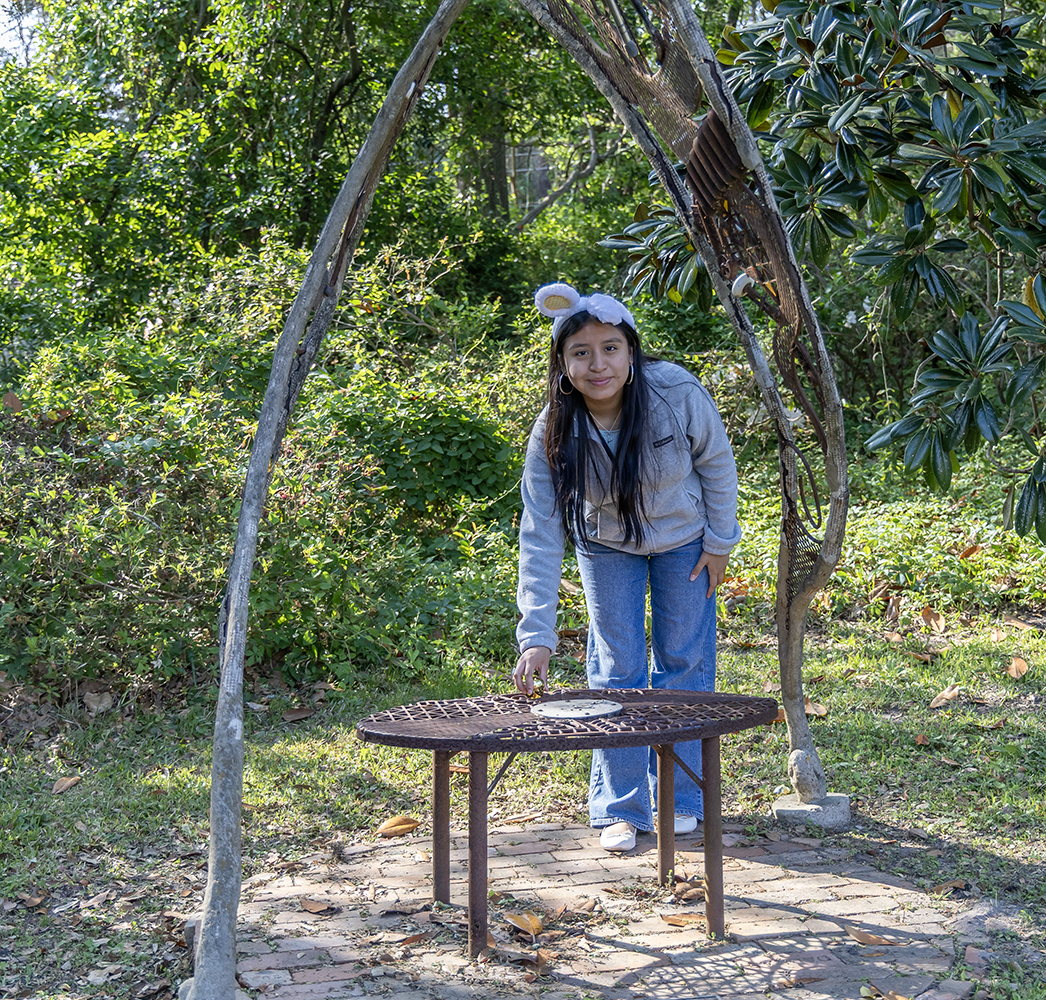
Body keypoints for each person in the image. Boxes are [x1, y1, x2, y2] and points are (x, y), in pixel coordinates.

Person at [512, 282, 741, 853]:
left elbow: (717, 463)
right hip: (606, 543)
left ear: (631, 351)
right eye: (581, 353)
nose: (598, 365)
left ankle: (682, 798)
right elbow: (540, 531)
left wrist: (720, 542)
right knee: (617, 669)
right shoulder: (554, 429)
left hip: (685, 540)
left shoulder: (675, 392)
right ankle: (621, 806)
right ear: (562, 365)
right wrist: (536, 634)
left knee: (684, 661)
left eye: (610, 348)